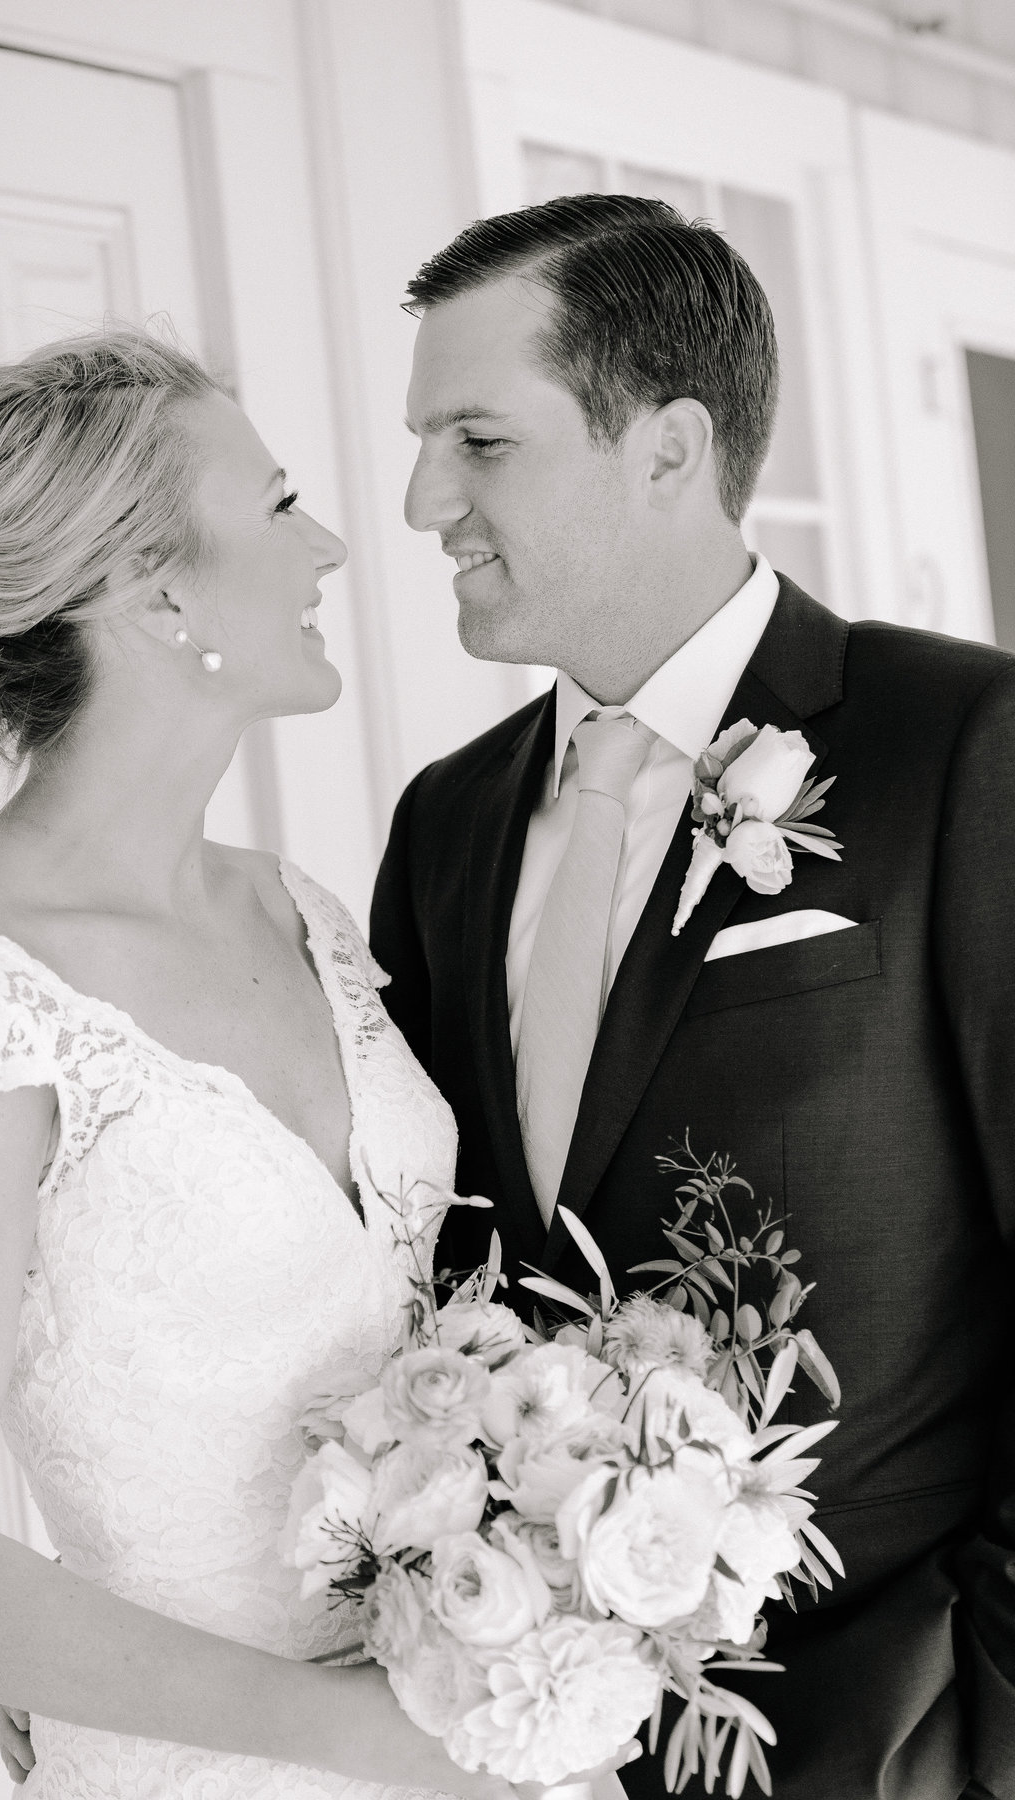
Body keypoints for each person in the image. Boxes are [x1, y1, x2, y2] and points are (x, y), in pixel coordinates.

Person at [0, 330, 519, 1800]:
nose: (326, 542)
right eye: (276, 507)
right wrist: (361, 1741)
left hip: (469, 1717)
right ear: (155, 589)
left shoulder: (297, 910)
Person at [370, 194, 1015, 1798]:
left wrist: (981, 1739)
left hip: (897, 1725)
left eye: (477, 440)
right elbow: (442, 1267)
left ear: (666, 448)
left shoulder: (963, 743)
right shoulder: (445, 824)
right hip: (542, 1739)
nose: (418, 497)